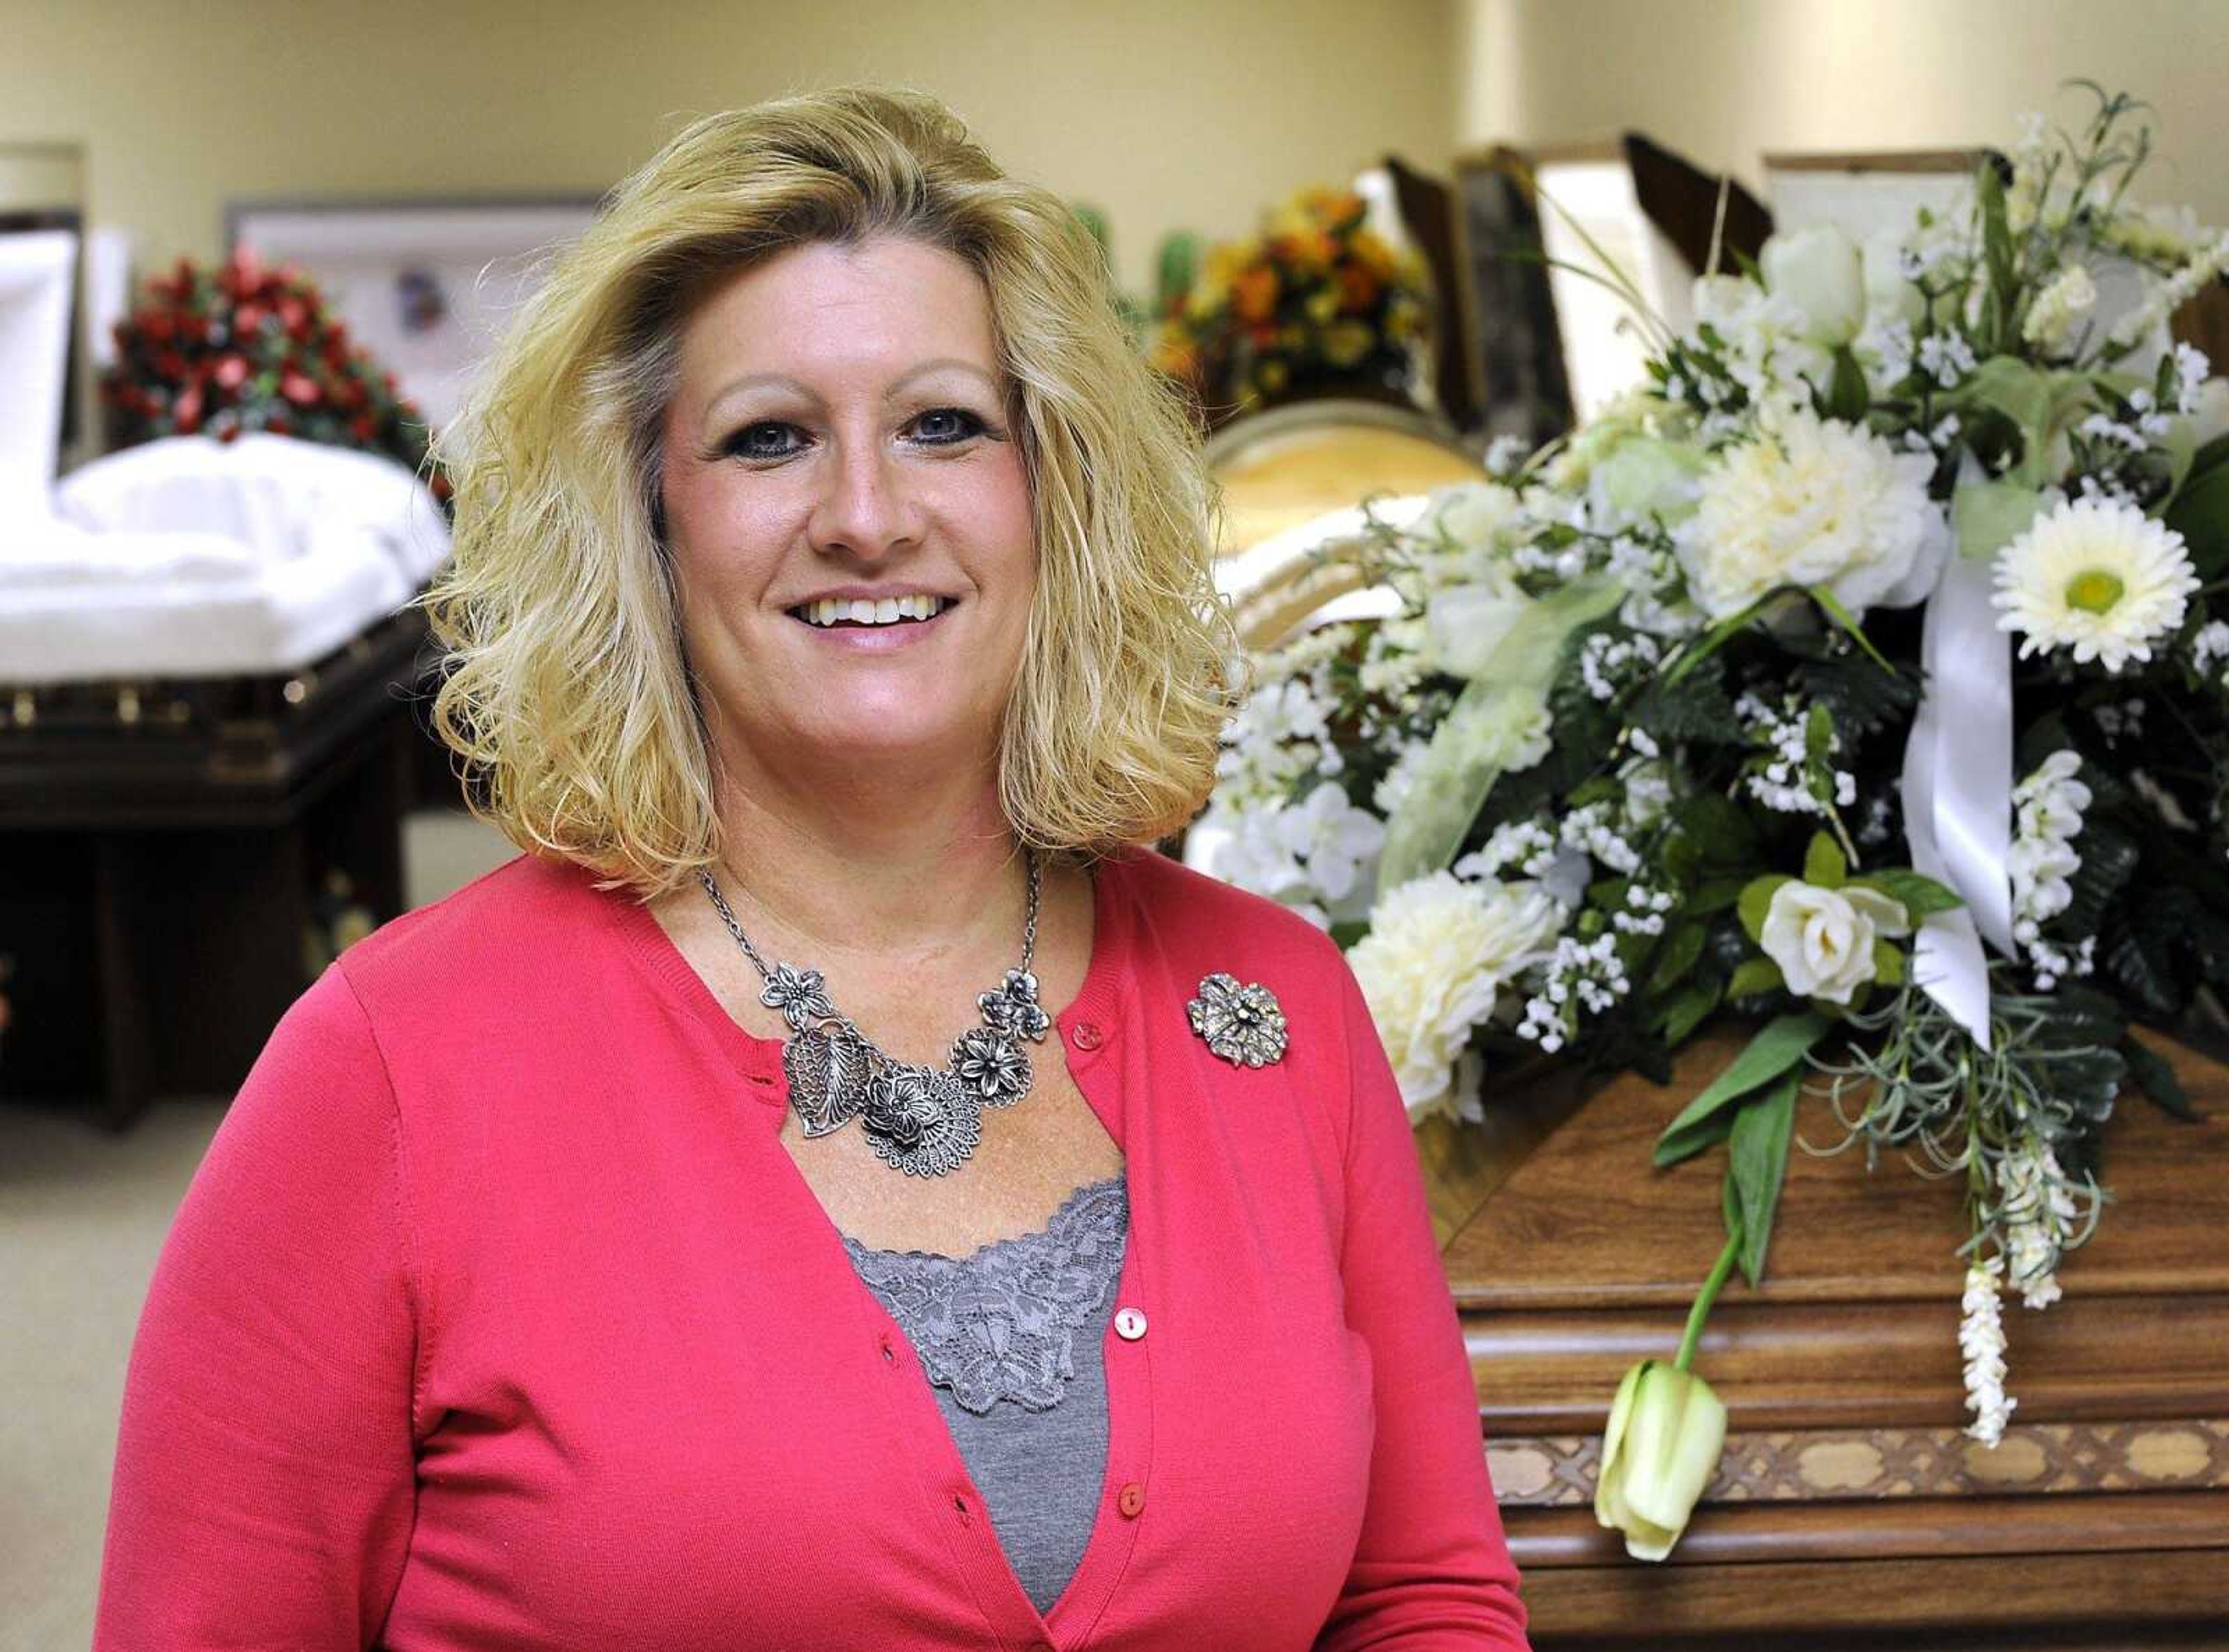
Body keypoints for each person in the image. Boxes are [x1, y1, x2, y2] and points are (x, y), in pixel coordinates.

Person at [93, 86, 1529, 1650]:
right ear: (645, 517)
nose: (866, 515)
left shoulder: (1276, 1006)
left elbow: (1423, 1598)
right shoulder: (387, 1075)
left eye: (944, 426)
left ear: (1056, 492)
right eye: (769, 438)